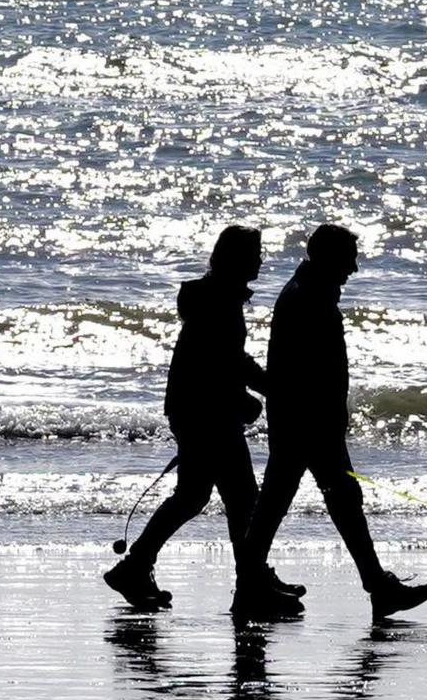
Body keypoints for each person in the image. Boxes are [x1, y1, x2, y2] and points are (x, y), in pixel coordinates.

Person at [104, 225, 306, 620]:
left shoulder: (217, 296)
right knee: (243, 500)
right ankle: (252, 583)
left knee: (195, 496)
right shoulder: (219, 302)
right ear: (236, 259)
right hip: (206, 413)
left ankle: (135, 567)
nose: (261, 261)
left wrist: (262, 389)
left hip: (194, 409)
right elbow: (219, 364)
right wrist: (254, 396)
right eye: (255, 254)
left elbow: (226, 360)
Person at [242, 223, 427, 621]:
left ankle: (374, 586)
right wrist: (325, 418)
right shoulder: (307, 296)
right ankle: (374, 587)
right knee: (316, 502)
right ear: (330, 258)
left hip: (303, 418)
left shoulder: (309, 290)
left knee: (304, 502)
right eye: (349, 259)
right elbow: (309, 371)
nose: (355, 269)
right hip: (306, 421)